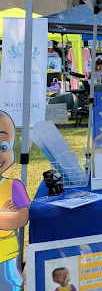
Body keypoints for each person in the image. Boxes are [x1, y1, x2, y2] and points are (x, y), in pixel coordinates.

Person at [0, 111, 30, 290]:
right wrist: (4, 215)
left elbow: (21, 218)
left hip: (6, 256)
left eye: (3, 147)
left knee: (10, 285)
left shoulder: (14, 186)